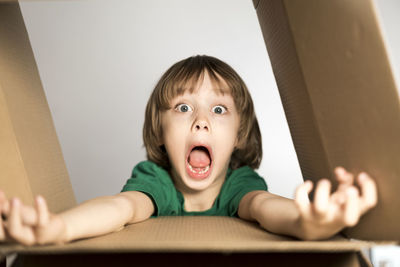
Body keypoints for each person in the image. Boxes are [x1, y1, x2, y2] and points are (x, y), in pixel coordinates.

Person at [0, 55, 377, 246]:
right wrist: (59, 227)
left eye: (218, 109)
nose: (200, 121)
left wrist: (308, 222)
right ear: (160, 131)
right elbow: (121, 209)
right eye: (182, 108)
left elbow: (264, 207)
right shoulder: (155, 181)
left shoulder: (239, 184)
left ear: (241, 135)